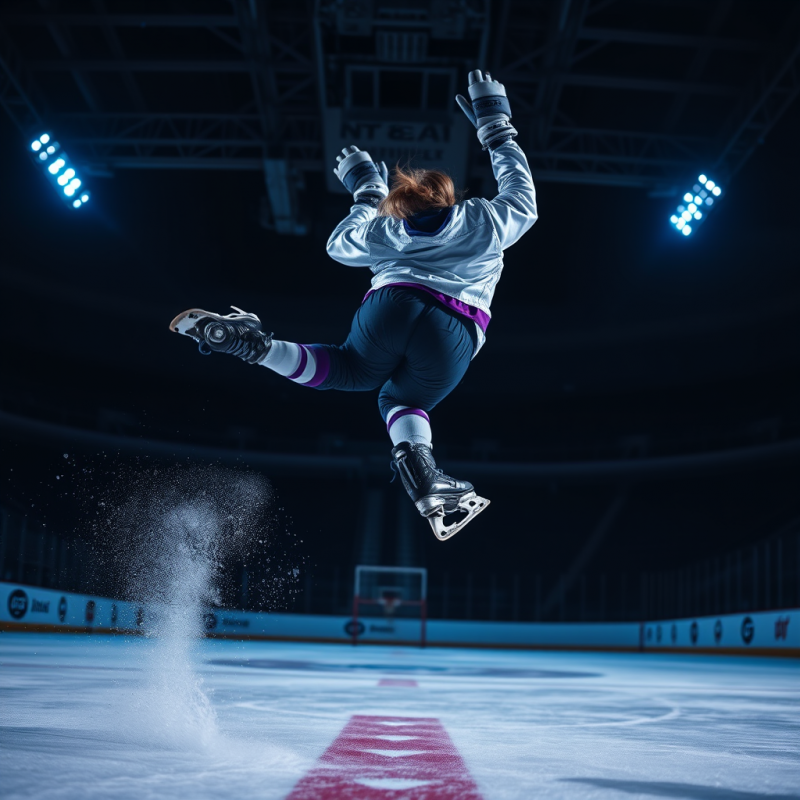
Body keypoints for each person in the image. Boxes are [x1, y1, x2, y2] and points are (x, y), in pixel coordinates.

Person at [170, 70, 538, 540]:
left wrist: (366, 192)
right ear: (452, 196)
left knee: (353, 370)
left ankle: (256, 346)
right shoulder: (483, 219)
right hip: (456, 330)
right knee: (398, 399)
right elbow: (523, 198)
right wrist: (495, 124)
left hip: (390, 306)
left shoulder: (386, 231)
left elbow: (338, 246)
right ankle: (422, 479)